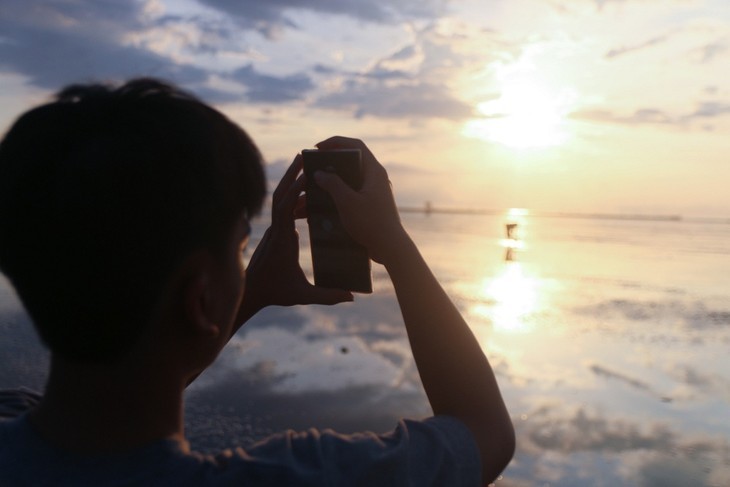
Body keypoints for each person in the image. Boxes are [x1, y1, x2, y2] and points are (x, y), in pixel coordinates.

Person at [0, 78, 514, 486]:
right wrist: (396, 246)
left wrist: (247, 291)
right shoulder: (292, 476)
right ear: (201, 298)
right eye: (240, 245)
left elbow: (122, 389)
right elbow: (485, 431)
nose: (244, 260)